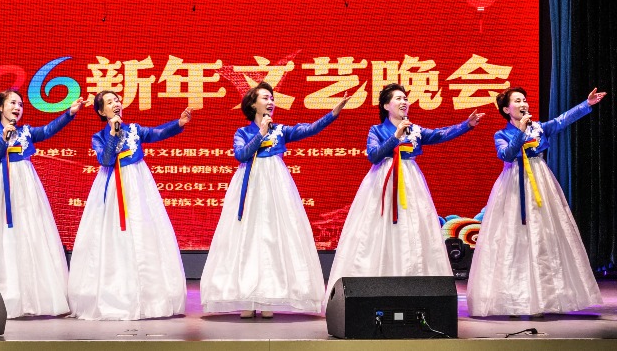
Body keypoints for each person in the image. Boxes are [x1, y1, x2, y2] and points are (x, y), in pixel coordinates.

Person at [324, 83, 484, 307]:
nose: (404, 102)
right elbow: (373, 155)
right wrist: (396, 136)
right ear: (386, 105)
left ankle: (413, 284)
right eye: (398, 98)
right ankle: (375, 285)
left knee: (412, 229)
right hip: (383, 181)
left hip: (410, 181)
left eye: (405, 98)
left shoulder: (415, 129)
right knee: (378, 230)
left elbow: (439, 134)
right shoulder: (376, 130)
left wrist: (467, 125)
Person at [200, 82, 350, 319]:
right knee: (247, 237)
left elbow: (309, 129)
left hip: (275, 187)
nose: (271, 102)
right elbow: (241, 154)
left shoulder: (280, 130)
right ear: (252, 104)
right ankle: (247, 297)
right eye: (265, 98)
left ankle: (268, 295)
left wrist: (333, 113)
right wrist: (260, 133)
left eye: (272, 98)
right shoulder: (243, 132)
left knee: (272, 236)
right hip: (250, 187)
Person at [466, 87, 605, 317]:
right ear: (506, 109)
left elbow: (562, 121)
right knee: (512, 239)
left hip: (540, 181)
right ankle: (511, 300)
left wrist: (586, 104)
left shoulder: (539, 127)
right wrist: (520, 131)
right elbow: (506, 155)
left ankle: (542, 299)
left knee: (542, 237)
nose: (523, 104)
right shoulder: (501, 134)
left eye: (524, 100)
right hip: (513, 184)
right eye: (517, 101)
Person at [0, 89, 84, 318]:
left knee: (28, 234)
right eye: (12, 103)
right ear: (0, 107)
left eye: (21, 104)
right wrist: (3, 140)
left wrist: (69, 113)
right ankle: (0, 295)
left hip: (24, 187)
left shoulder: (26, 132)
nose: (17, 108)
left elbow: (48, 130)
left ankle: (31, 297)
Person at [67, 90, 193, 320]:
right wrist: (113, 133)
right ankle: (116, 292)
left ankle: (149, 296)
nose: (116, 103)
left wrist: (179, 123)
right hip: (113, 187)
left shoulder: (134, 129)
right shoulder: (99, 136)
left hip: (138, 184)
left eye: (117, 100)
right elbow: (106, 159)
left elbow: (155, 133)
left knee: (143, 230)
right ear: (101, 111)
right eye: (109, 102)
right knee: (113, 235)